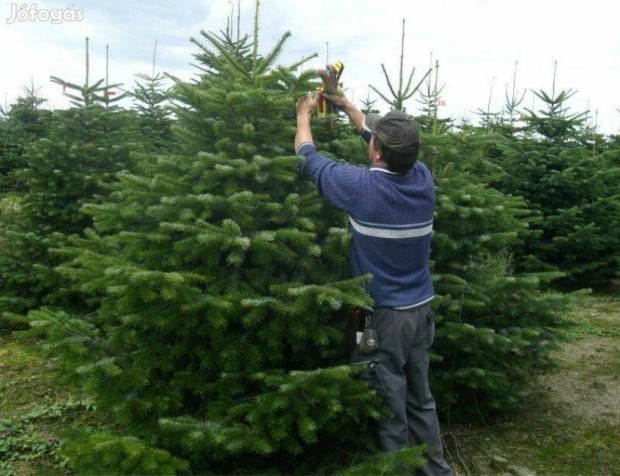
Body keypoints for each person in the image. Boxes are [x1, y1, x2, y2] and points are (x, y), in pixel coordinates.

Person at [294, 91, 453, 476]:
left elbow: (308, 159)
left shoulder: (359, 187)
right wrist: (349, 108)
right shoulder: (422, 178)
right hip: (420, 312)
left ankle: (396, 470)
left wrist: (303, 117)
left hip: (378, 317)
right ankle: (436, 470)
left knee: (387, 402)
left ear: (378, 152)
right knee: (420, 397)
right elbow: (382, 145)